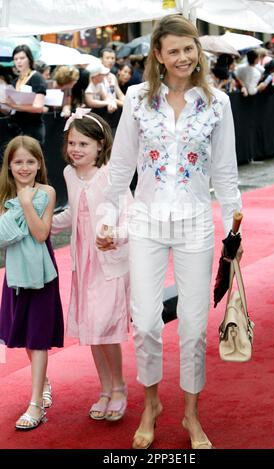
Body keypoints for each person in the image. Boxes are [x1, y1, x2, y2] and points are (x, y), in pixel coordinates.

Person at [97, 14, 242, 450]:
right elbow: (121, 165)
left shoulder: (217, 102)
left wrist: (236, 228)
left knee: (195, 328)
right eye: (174, 50)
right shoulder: (138, 99)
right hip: (146, 223)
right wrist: (108, 215)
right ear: (157, 55)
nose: (183, 57)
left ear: (198, 51)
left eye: (189, 48)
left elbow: (226, 171)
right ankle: (151, 404)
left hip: (196, 224)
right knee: (144, 324)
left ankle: (191, 416)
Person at [51, 109, 132, 421]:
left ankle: (120, 387)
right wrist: (46, 223)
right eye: (72, 143)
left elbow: (130, 215)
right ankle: (105, 388)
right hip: (83, 263)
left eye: (83, 143)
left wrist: (116, 236)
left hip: (109, 263)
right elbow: (76, 213)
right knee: (92, 329)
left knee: (106, 328)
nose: (76, 149)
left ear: (100, 145)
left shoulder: (112, 176)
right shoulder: (71, 175)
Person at [0, 135, 64, 430]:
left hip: (41, 273)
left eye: (30, 161)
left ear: (39, 164)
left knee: (38, 337)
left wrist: (25, 204)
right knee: (25, 335)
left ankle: (36, 403)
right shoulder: (2, 196)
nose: (24, 167)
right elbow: (4, 238)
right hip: (14, 274)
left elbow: (40, 234)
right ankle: (44, 383)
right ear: (9, 165)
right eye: (18, 162)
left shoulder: (47, 192)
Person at [0, 45, 47, 145]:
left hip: (32, 128)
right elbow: (9, 110)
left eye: (22, 58)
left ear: (29, 59)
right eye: (16, 59)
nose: (18, 61)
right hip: (16, 128)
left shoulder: (36, 78)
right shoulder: (15, 81)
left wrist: (14, 106)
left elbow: (38, 107)